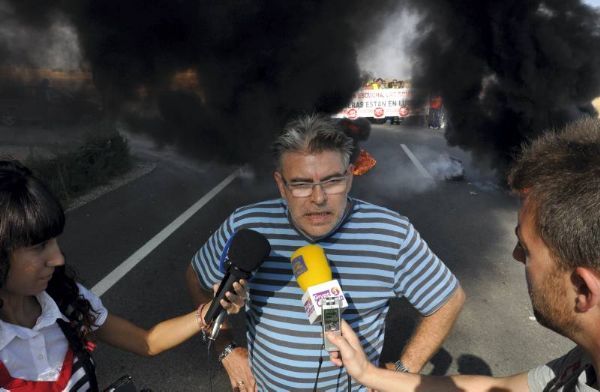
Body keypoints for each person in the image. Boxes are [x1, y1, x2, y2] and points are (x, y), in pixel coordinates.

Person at [186, 114, 465, 391]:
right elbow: (196, 277)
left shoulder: (392, 233)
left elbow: (448, 300)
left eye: (332, 181)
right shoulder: (247, 226)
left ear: (349, 177)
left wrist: (404, 370)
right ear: (281, 185)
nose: (318, 198)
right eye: (301, 184)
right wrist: (226, 349)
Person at [326, 117, 600, 391]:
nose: (516, 255)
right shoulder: (580, 364)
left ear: (584, 289)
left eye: (526, 250)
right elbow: (501, 388)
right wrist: (369, 375)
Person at [0, 160, 247, 391]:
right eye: (39, 246)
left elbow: (146, 342)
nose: (58, 259)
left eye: (55, 241)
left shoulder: (65, 300)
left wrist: (207, 312)